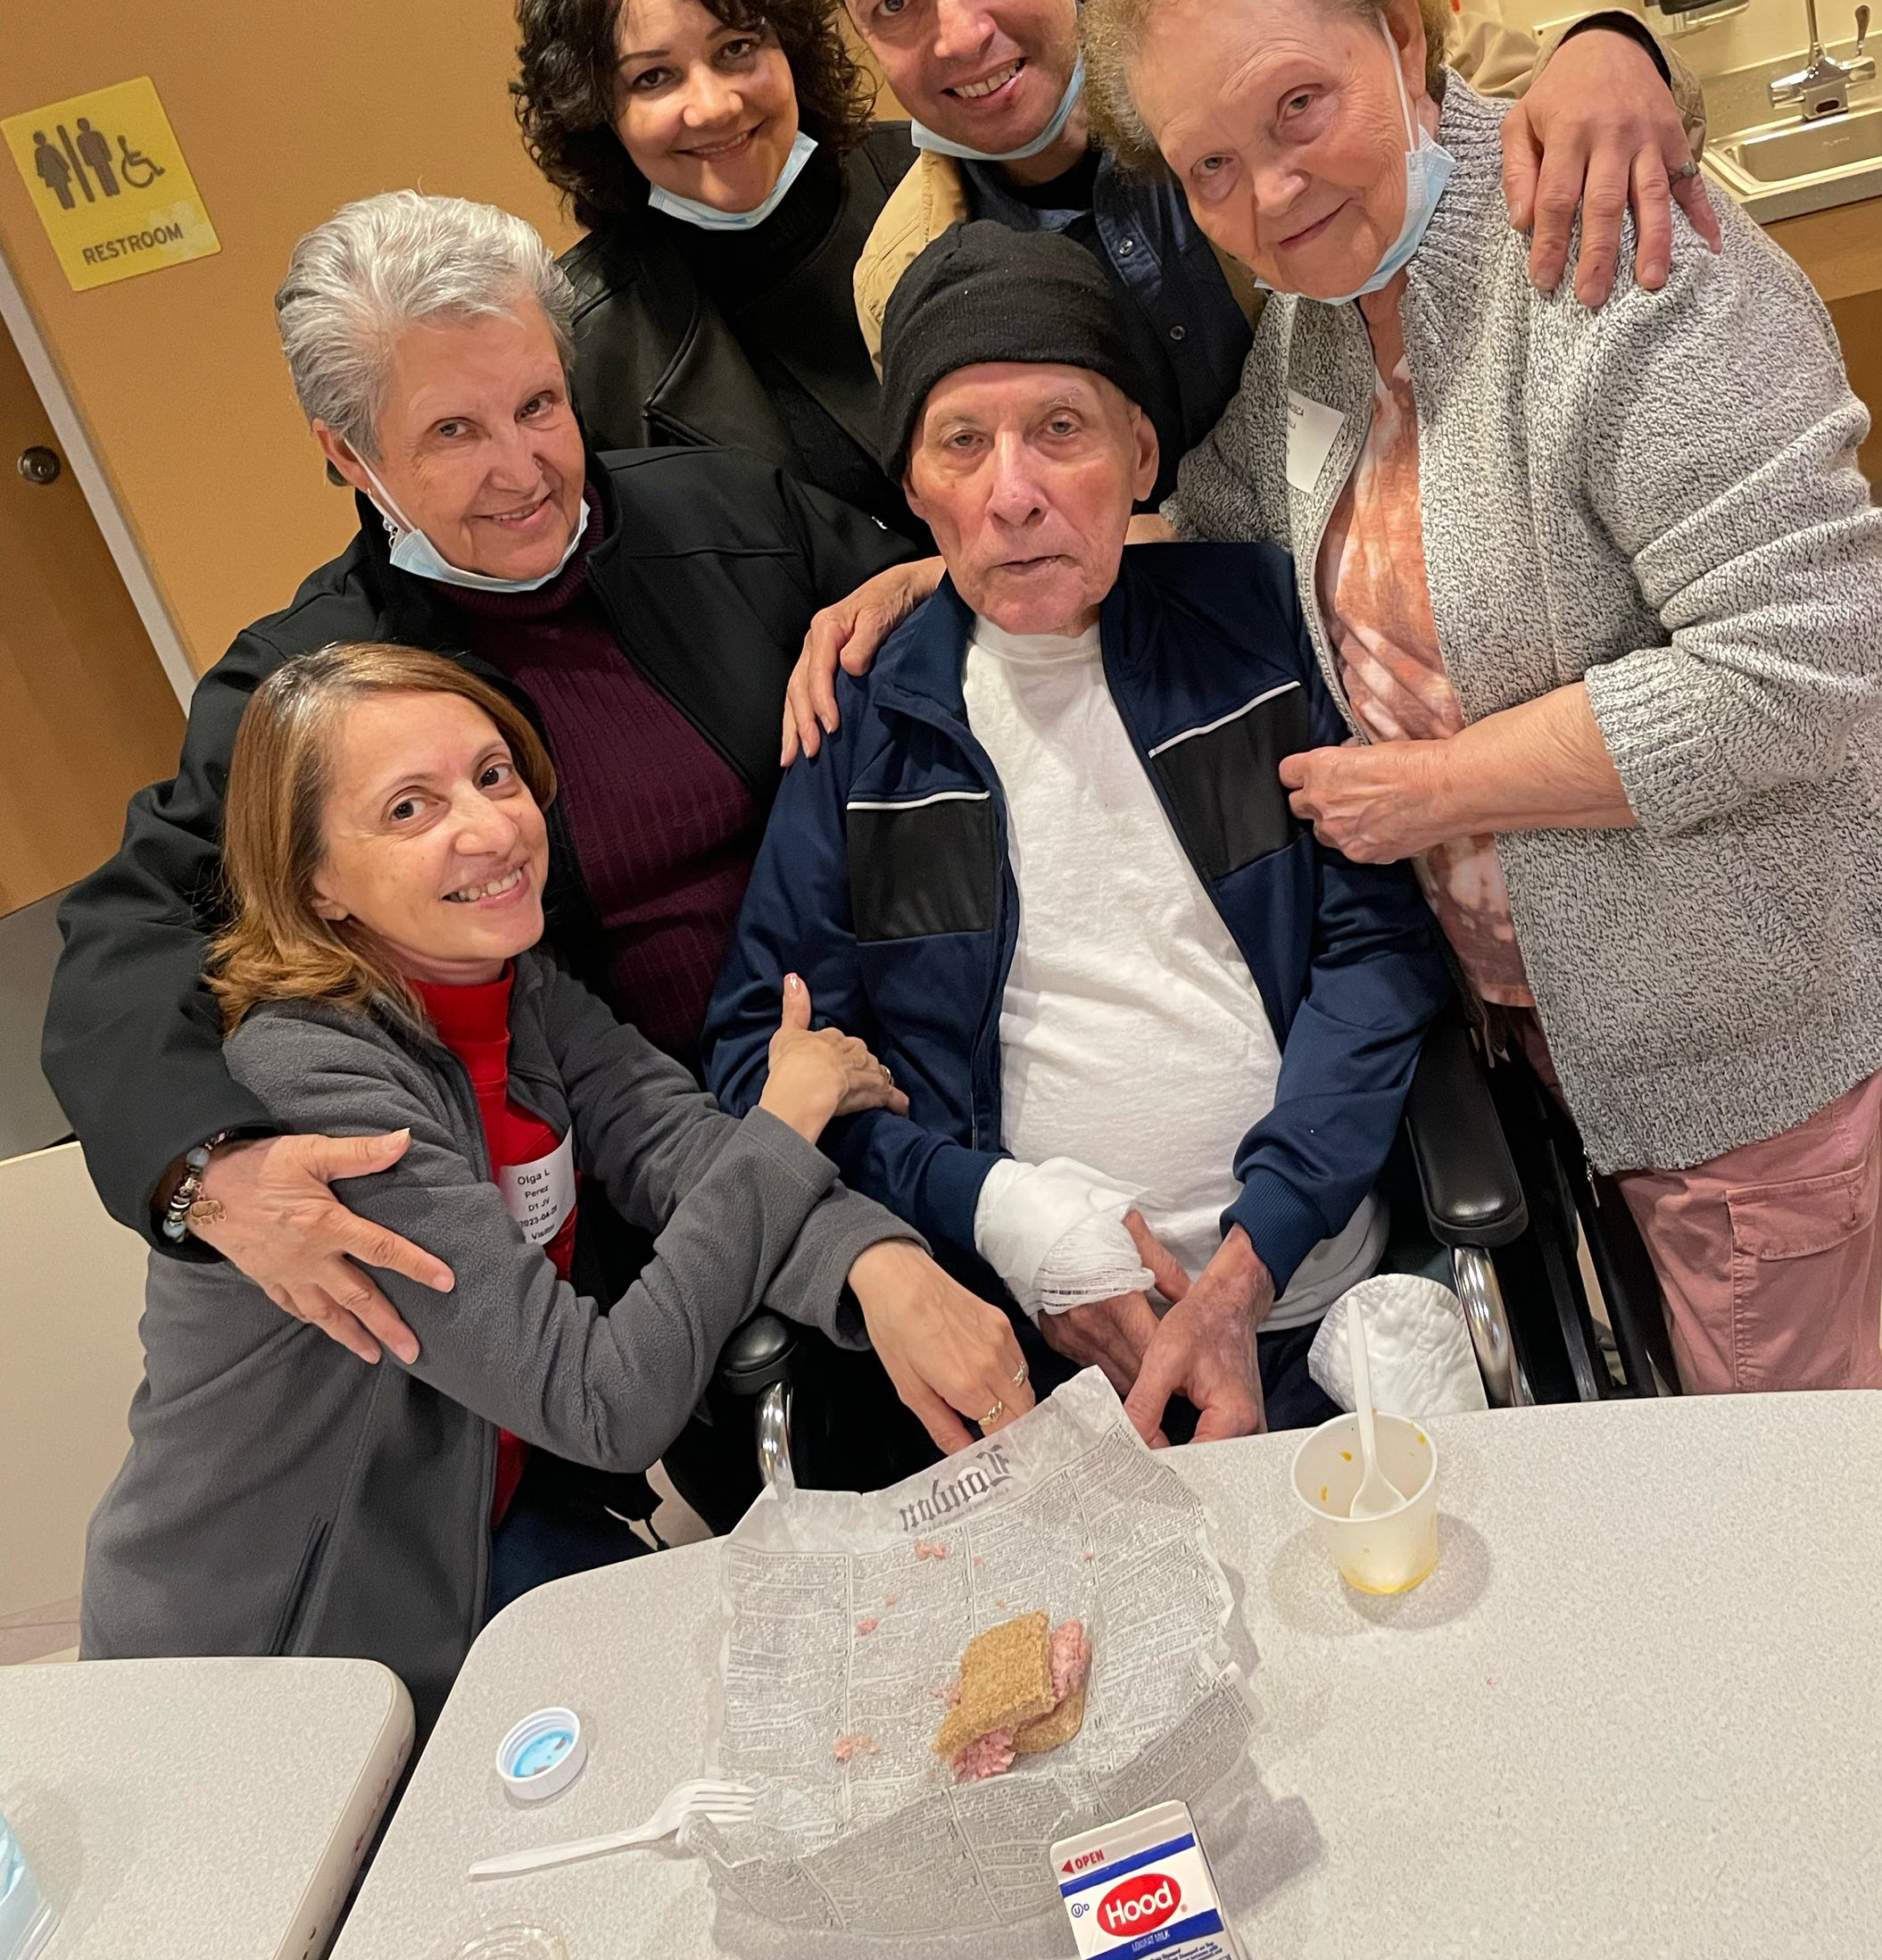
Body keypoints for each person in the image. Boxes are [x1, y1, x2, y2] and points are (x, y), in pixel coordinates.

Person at [1071, 0, 1882, 1395]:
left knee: (1785, 1452)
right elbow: (1218, 519)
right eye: (1209, 167)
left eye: (1299, 107)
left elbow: (1801, 655)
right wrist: (969, 561)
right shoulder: (1318, 327)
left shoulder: (1610, 244)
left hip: (1739, 1010)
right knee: (1684, 1409)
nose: (1269, 196)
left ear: (1402, 38)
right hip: (1553, 1017)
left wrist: (1432, 789)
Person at [44, 194, 914, 1432]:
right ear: (349, 455)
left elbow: (947, 623)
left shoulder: (732, 518)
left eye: (539, 406)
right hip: (646, 1186)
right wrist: (206, 1171)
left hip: (881, 1075)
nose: (522, 470)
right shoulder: (314, 689)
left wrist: (926, 578)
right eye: (453, 430)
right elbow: (129, 937)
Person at [80, 645, 1026, 1733]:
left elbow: (677, 1144)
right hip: (278, 1650)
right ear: (314, 883)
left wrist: (878, 1262)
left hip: (476, 1523)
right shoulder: (311, 1079)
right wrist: (787, 1116)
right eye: (408, 808)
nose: (488, 829)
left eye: (494, 775)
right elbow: (602, 1402)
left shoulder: (511, 987)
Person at [706, 224, 1448, 1445]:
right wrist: (999, 1212)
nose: (1013, 494)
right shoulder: (863, 724)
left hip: (1308, 1290)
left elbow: (1377, 950)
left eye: (1061, 429)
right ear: (913, 488)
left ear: (1140, 454)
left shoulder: (1259, 627)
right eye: (962, 443)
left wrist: (1252, 1259)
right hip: (1027, 1360)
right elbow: (758, 1052)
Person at [781, 0, 1716, 499]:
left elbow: (1508, 94)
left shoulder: (1241, 33)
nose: (958, 34)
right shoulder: (901, 277)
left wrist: (1614, 48)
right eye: (893, 4)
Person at [513, 0, 924, 540]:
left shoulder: (939, 177)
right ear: (596, 113)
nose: (714, 106)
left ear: (789, 43)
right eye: (653, 77)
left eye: (736, 48)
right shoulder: (581, 352)